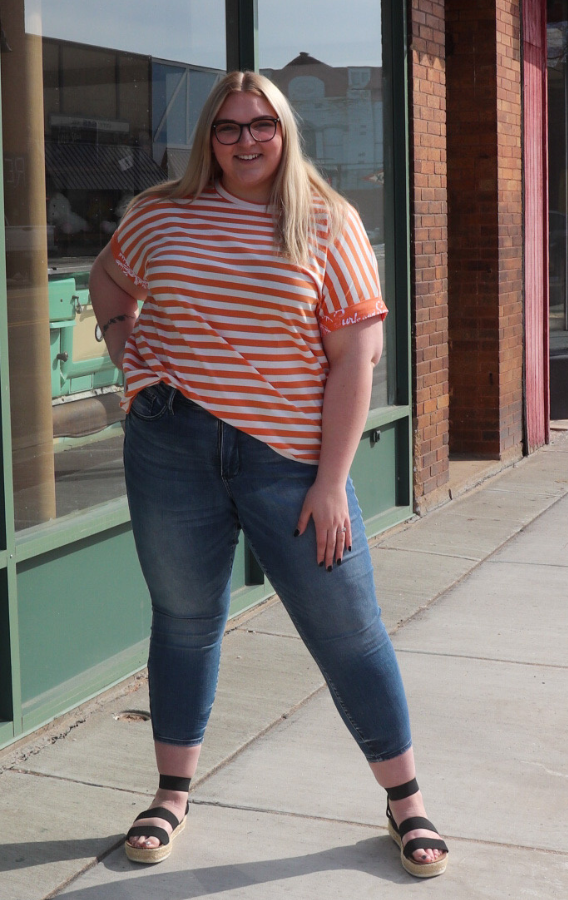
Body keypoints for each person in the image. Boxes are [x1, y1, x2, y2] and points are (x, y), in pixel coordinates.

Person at [89, 70, 448, 879]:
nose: (246, 141)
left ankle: (408, 802)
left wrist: (332, 480)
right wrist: (124, 344)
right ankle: (172, 793)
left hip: (291, 464)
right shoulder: (160, 214)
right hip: (170, 446)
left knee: (347, 631)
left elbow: (357, 356)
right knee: (184, 620)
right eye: (228, 127)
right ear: (207, 139)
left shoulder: (325, 220)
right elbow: (110, 276)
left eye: (262, 125)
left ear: (285, 132)